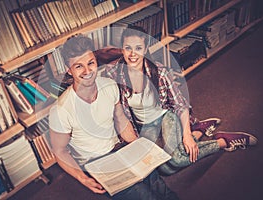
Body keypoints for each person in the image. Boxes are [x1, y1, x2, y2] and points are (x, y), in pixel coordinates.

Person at [102, 25, 258, 175]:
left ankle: (224, 141)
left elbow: (180, 105)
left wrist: (186, 135)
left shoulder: (160, 72)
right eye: (128, 48)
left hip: (166, 117)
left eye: (138, 48)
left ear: (145, 49)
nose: (133, 54)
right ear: (121, 49)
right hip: (144, 126)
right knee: (163, 168)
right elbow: (91, 67)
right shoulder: (115, 73)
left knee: (176, 160)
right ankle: (199, 130)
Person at [48, 34, 179, 200]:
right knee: (144, 195)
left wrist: (137, 146)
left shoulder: (109, 86)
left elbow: (121, 121)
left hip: (120, 149)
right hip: (96, 163)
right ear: (69, 69)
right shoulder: (60, 110)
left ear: (96, 61)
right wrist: (83, 178)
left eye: (91, 63)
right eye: (78, 66)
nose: (87, 71)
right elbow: (60, 151)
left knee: (158, 185)